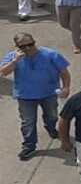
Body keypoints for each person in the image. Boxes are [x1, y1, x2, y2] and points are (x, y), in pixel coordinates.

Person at [0, 32, 71, 160]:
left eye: (30, 44)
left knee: (52, 115)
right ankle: (29, 145)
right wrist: (15, 61)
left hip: (49, 93)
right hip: (25, 96)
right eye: (23, 46)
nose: (27, 48)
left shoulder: (50, 55)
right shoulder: (12, 57)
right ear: (17, 47)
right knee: (28, 122)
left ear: (34, 42)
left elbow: (64, 72)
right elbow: (3, 72)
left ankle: (51, 128)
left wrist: (65, 87)